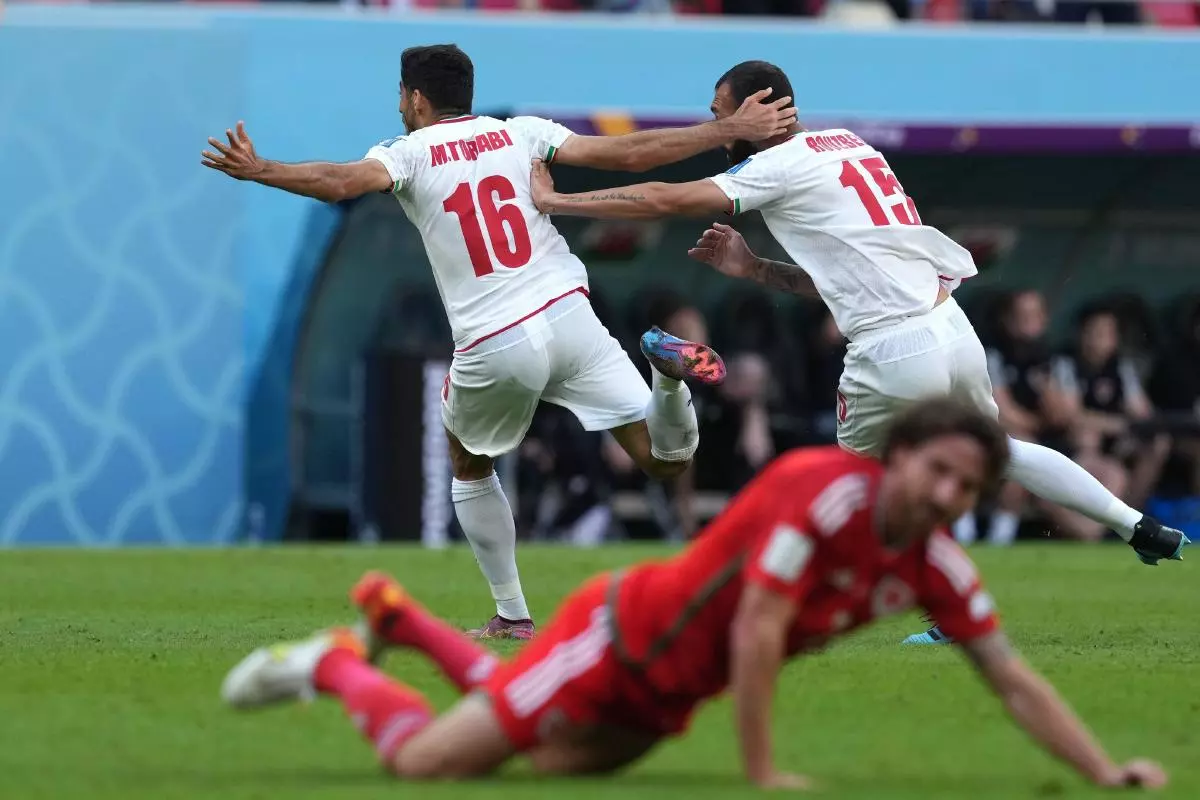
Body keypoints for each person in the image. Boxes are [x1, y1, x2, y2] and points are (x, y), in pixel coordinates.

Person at [527, 59, 1189, 644]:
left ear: (758, 108)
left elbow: (671, 197)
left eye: (718, 111)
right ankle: (1137, 525)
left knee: (834, 488)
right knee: (999, 452)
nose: (713, 122)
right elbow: (847, 275)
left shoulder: (775, 165)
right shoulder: (853, 146)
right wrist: (757, 270)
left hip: (892, 351)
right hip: (950, 326)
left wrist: (559, 201)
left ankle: (777, 604)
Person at [220, 400, 1168, 792]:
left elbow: (1010, 679)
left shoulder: (936, 566)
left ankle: (398, 618)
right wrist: (762, 773)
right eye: (942, 474)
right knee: (430, 766)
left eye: (971, 489)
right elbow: (758, 628)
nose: (952, 498)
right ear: (903, 459)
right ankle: (336, 662)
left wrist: (1104, 772)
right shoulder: (821, 490)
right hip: (617, 640)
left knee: (531, 757)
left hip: (668, 696)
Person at [202, 45, 796, 639]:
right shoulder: (520, 134)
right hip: (569, 314)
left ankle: (512, 614)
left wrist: (262, 169)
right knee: (666, 461)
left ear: (414, 98)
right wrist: (725, 129)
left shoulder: (405, 152)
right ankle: (667, 377)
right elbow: (630, 151)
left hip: (495, 338)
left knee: (467, 459)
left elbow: (339, 184)